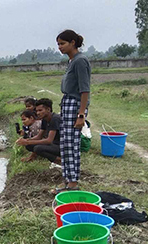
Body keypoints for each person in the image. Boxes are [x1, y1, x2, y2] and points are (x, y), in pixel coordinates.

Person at [56, 29, 91, 192]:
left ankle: (73, 184)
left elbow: (84, 90)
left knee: (71, 145)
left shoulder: (80, 61)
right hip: (67, 103)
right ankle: (68, 181)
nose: (60, 47)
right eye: (58, 44)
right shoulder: (72, 61)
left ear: (73, 43)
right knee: (65, 145)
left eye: (62, 43)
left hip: (75, 105)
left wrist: (81, 114)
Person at [16, 98, 62, 165]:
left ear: (48, 109)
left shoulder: (55, 119)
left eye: (40, 110)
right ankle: (32, 157)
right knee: (29, 146)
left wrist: (27, 142)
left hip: (63, 146)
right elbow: (39, 136)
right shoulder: (44, 119)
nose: (38, 113)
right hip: (54, 144)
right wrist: (26, 140)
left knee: (38, 148)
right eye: (37, 111)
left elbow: (49, 140)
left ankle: (58, 160)